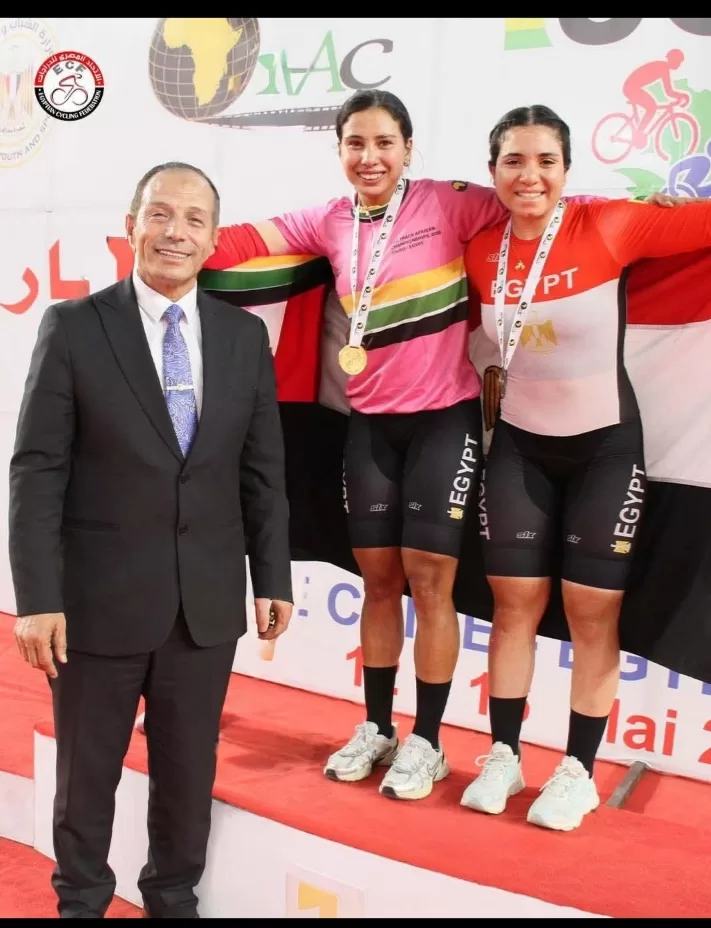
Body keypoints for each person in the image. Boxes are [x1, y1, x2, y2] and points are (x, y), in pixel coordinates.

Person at [199, 89, 680, 803]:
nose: (370, 157)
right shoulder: (327, 219)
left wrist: (627, 209)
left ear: (408, 148)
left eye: (384, 143)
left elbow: (536, 206)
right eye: (356, 143)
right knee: (377, 584)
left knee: (431, 586)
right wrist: (175, 236)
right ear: (339, 150)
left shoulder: (451, 203)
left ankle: (426, 739)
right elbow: (245, 242)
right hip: (369, 425)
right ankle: (377, 727)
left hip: (445, 423)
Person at [9, 162, 293, 918]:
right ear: (132, 225)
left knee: (187, 772)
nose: (176, 232)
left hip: (205, 604)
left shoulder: (242, 337)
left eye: (195, 219)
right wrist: (36, 598)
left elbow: (262, 471)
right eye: (161, 214)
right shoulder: (75, 326)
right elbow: (37, 470)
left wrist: (271, 577)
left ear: (213, 239)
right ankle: (81, 903)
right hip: (96, 601)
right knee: (87, 776)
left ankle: (173, 899)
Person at [460, 105, 711, 832]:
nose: (529, 175)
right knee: (512, 606)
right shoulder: (479, 249)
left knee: (591, 611)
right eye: (513, 161)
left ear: (567, 170)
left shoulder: (607, 225)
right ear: (492, 170)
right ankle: (503, 755)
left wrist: (669, 202)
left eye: (545, 161)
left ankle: (577, 770)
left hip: (604, 450)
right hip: (518, 449)